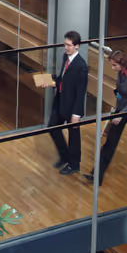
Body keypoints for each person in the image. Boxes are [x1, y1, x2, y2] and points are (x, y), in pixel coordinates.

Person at [85, 49, 127, 186]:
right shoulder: (121, 73)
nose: (113, 68)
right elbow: (121, 93)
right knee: (109, 143)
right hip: (121, 110)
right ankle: (97, 175)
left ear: (122, 64)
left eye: (114, 65)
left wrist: (121, 114)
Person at [40, 30, 88, 175]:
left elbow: (81, 92)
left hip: (72, 105)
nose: (66, 48)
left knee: (74, 137)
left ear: (77, 46)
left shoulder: (81, 66)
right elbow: (63, 78)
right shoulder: (65, 58)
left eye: (69, 45)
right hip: (61, 100)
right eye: (65, 44)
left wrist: (76, 114)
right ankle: (65, 156)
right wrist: (51, 82)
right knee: (52, 127)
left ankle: (74, 164)